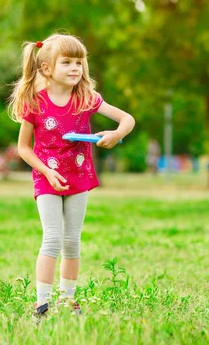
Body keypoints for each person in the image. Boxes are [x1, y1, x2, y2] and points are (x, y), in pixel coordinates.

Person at [8, 34, 135, 319]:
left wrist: (115, 135)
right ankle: (42, 304)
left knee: (72, 241)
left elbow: (128, 119)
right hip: (47, 177)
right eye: (67, 62)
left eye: (79, 61)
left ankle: (68, 299)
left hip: (78, 176)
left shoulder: (87, 99)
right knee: (52, 239)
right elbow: (23, 148)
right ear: (46, 69)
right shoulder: (35, 103)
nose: (75, 67)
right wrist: (47, 171)